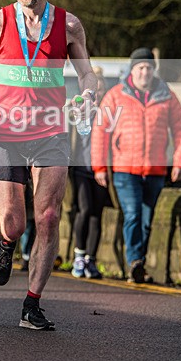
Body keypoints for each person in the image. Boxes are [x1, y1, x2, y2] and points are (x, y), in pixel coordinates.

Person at [0, 0, 97, 330]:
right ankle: (6, 242)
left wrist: (88, 95)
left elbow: (88, 74)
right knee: (13, 223)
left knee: (49, 216)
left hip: (50, 132)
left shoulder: (69, 24)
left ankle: (32, 303)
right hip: (5, 133)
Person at [92, 48, 181, 284]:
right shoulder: (115, 96)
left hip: (155, 169)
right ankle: (135, 261)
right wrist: (99, 166)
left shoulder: (167, 95)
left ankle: (139, 263)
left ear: (153, 70)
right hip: (125, 169)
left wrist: (180, 161)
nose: (144, 72)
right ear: (132, 70)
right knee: (133, 214)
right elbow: (100, 131)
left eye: (148, 68)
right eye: (140, 67)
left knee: (147, 221)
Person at [70, 66, 111, 279]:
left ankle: (91, 260)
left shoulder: (110, 113)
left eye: (101, 90)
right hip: (80, 169)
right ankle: (79, 255)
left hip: (101, 170)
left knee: (97, 213)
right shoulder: (77, 111)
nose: (97, 95)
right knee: (84, 209)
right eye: (94, 91)